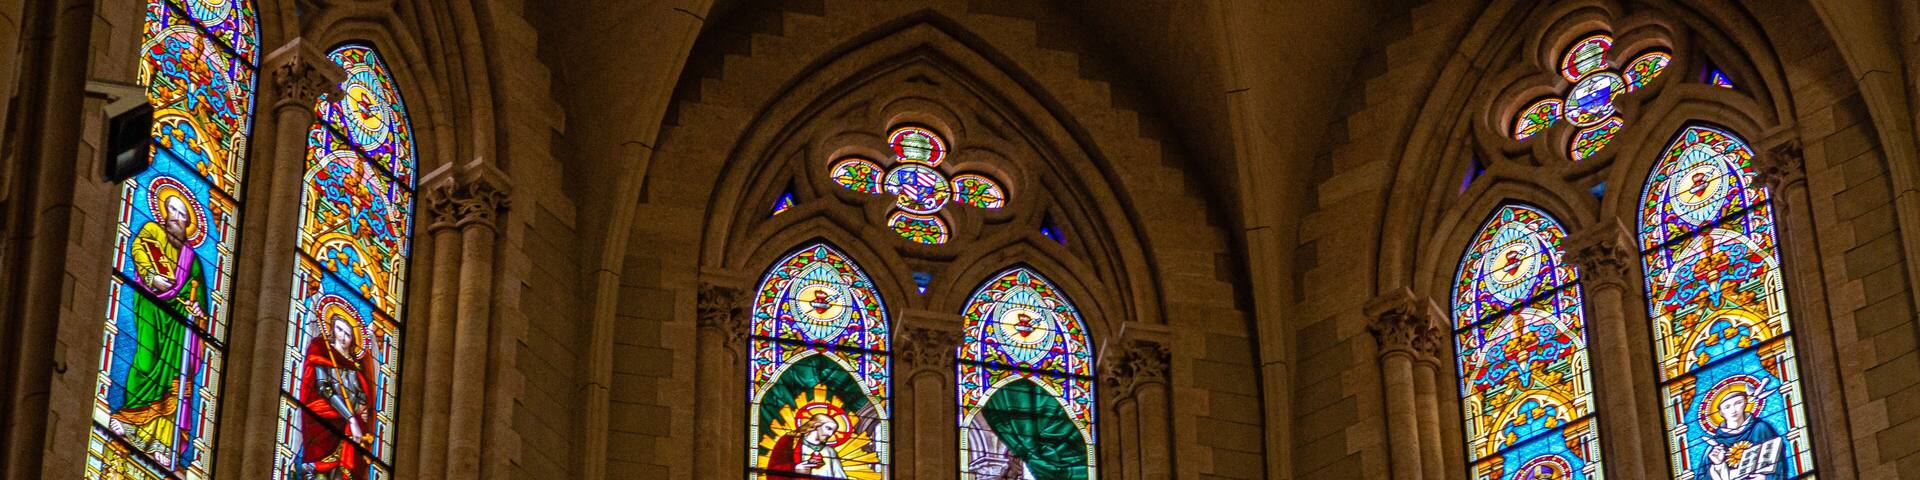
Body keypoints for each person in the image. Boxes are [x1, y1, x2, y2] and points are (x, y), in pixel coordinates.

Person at [110, 192, 209, 459]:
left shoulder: (192, 258)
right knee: (145, 360)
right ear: (163, 211)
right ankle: (129, 419)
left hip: (179, 322)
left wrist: (198, 309)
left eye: (182, 214)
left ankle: (163, 444)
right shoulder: (152, 230)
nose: (176, 217)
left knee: (174, 376)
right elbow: (139, 250)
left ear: (189, 222)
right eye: (172, 211)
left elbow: (197, 294)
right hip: (152, 307)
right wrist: (153, 276)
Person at [293, 306, 377, 480]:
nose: (342, 336)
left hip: (348, 426)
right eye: (339, 329)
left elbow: (360, 393)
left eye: (348, 333)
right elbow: (324, 388)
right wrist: (351, 418)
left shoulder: (355, 368)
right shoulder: (322, 353)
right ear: (331, 328)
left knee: (341, 471)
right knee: (320, 470)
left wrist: (362, 409)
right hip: (325, 418)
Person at [1696, 389, 1784, 480]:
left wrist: (1766, 478)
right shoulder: (1714, 448)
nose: (1733, 410)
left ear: (1745, 403)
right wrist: (1718, 465)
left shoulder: (1761, 429)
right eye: (1727, 407)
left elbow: (1780, 463)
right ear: (1720, 412)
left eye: (1738, 403)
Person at [767, 414, 849, 479]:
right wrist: (794, 469)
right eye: (828, 428)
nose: (830, 434)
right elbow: (772, 470)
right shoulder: (790, 441)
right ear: (816, 425)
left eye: (833, 431)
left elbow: (840, 476)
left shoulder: (830, 451)